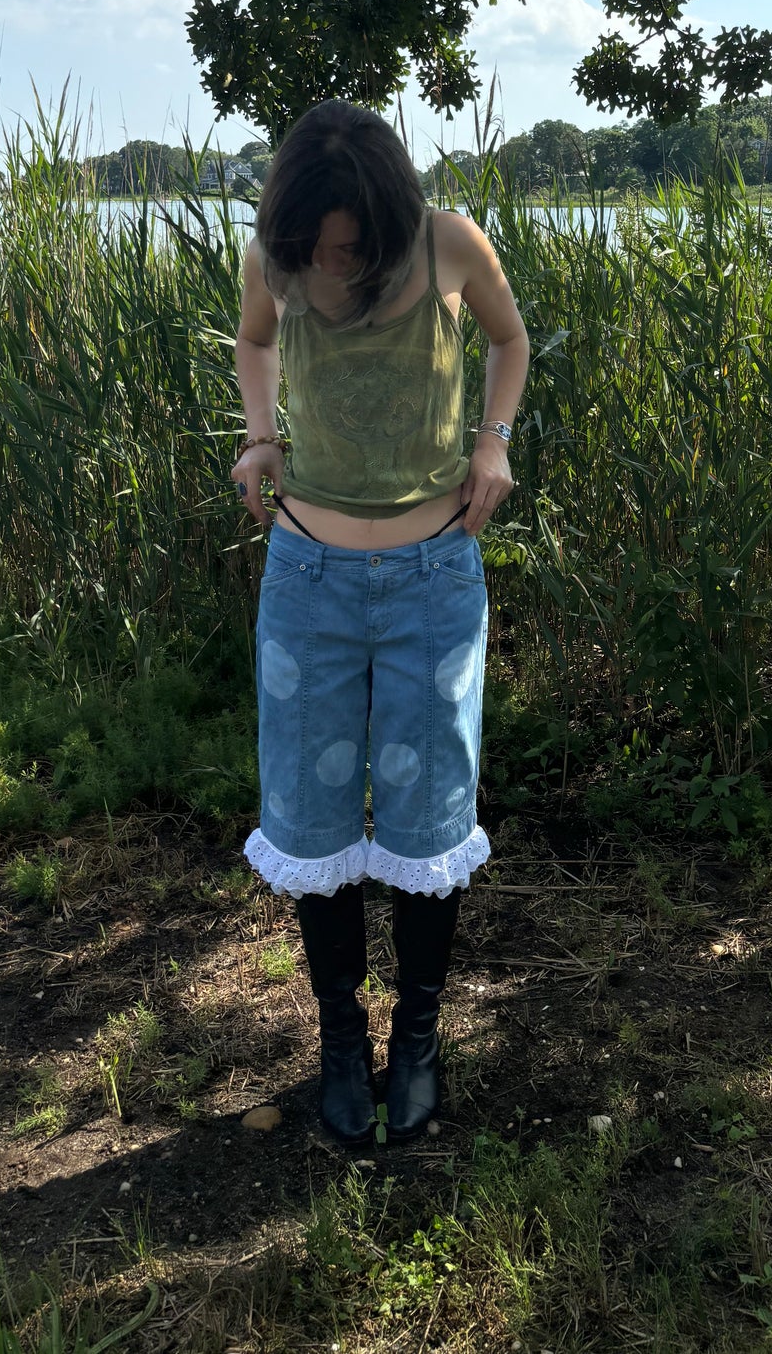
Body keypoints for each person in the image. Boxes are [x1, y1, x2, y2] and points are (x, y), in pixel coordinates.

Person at [229, 100, 529, 1147]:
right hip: (306, 579)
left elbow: (508, 337)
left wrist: (490, 444)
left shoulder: (448, 241)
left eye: (352, 249)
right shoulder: (273, 254)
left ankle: (418, 1036)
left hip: (430, 579)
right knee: (310, 817)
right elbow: (254, 341)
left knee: (428, 814)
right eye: (316, 251)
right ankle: (339, 1040)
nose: (333, 268)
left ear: (392, 219)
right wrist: (261, 437)